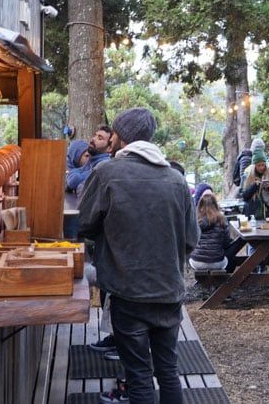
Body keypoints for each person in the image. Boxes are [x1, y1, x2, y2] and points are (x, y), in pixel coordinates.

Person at [78, 107, 199, 404]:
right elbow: (191, 239)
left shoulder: (107, 173)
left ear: (120, 137)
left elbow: (83, 224)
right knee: (169, 370)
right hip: (169, 291)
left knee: (139, 376)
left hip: (127, 291)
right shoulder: (176, 179)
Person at [189, 192, 235, 272]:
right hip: (217, 261)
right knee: (231, 257)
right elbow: (226, 243)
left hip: (197, 261)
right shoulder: (222, 219)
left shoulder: (195, 220)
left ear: (200, 205)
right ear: (215, 204)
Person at [66, 124, 112, 192]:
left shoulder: (103, 165)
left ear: (109, 148)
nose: (93, 139)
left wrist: (73, 177)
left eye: (100, 138)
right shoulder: (92, 161)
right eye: (95, 135)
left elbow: (74, 180)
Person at [239, 148, 269, 220]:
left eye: (263, 165)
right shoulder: (246, 177)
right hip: (252, 214)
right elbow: (244, 196)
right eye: (259, 165)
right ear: (254, 166)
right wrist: (254, 186)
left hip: (268, 214)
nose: (261, 168)